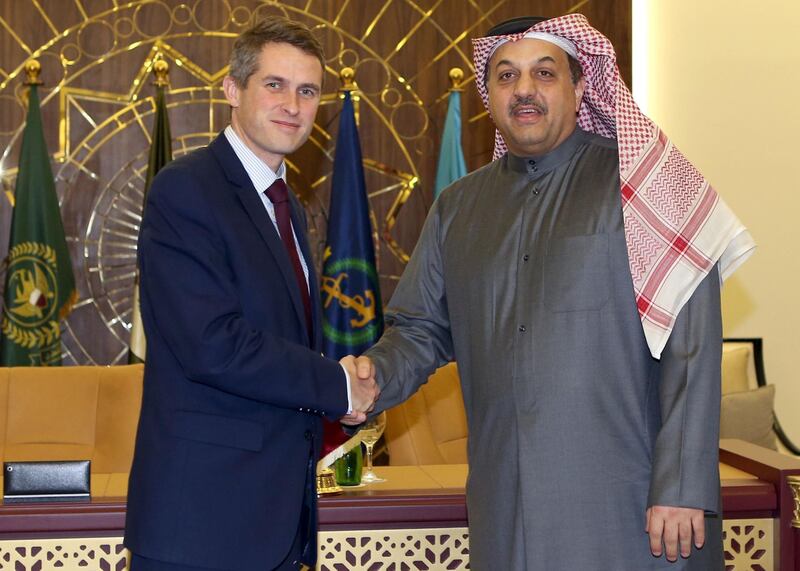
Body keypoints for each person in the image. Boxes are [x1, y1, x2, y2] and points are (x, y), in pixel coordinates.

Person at [350, 14, 755, 570]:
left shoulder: (645, 184)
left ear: (580, 85)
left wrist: (682, 483)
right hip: (505, 510)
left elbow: (692, 344)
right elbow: (421, 329)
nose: (524, 90)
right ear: (487, 93)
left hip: (633, 507)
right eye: (506, 75)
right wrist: (373, 379)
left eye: (545, 73)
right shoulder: (458, 208)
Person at [124, 17, 379, 571]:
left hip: (274, 524)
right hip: (201, 528)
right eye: (275, 84)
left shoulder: (288, 207)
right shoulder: (187, 189)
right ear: (233, 90)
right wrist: (338, 384)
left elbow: (278, 343)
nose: (293, 103)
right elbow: (213, 344)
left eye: (307, 91)